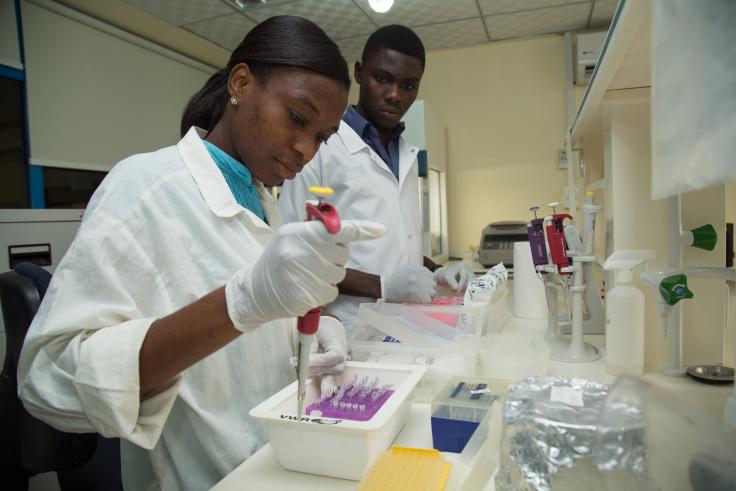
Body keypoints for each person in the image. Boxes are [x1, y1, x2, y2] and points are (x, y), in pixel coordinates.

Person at [17, 16, 383, 491]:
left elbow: (240, 349)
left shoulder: (264, 201)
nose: (304, 148)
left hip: (275, 465)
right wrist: (237, 303)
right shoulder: (147, 187)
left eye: (321, 136)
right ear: (241, 83)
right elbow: (49, 381)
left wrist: (308, 329)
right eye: (297, 118)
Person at [279, 25, 474, 332]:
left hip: (406, 327)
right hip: (348, 330)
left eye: (409, 85)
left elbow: (390, 244)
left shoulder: (407, 155)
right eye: (382, 79)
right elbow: (294, 254)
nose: (395, 95)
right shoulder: (323, 147)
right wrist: (382, 286)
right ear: (359, 73)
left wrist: (437, 270)